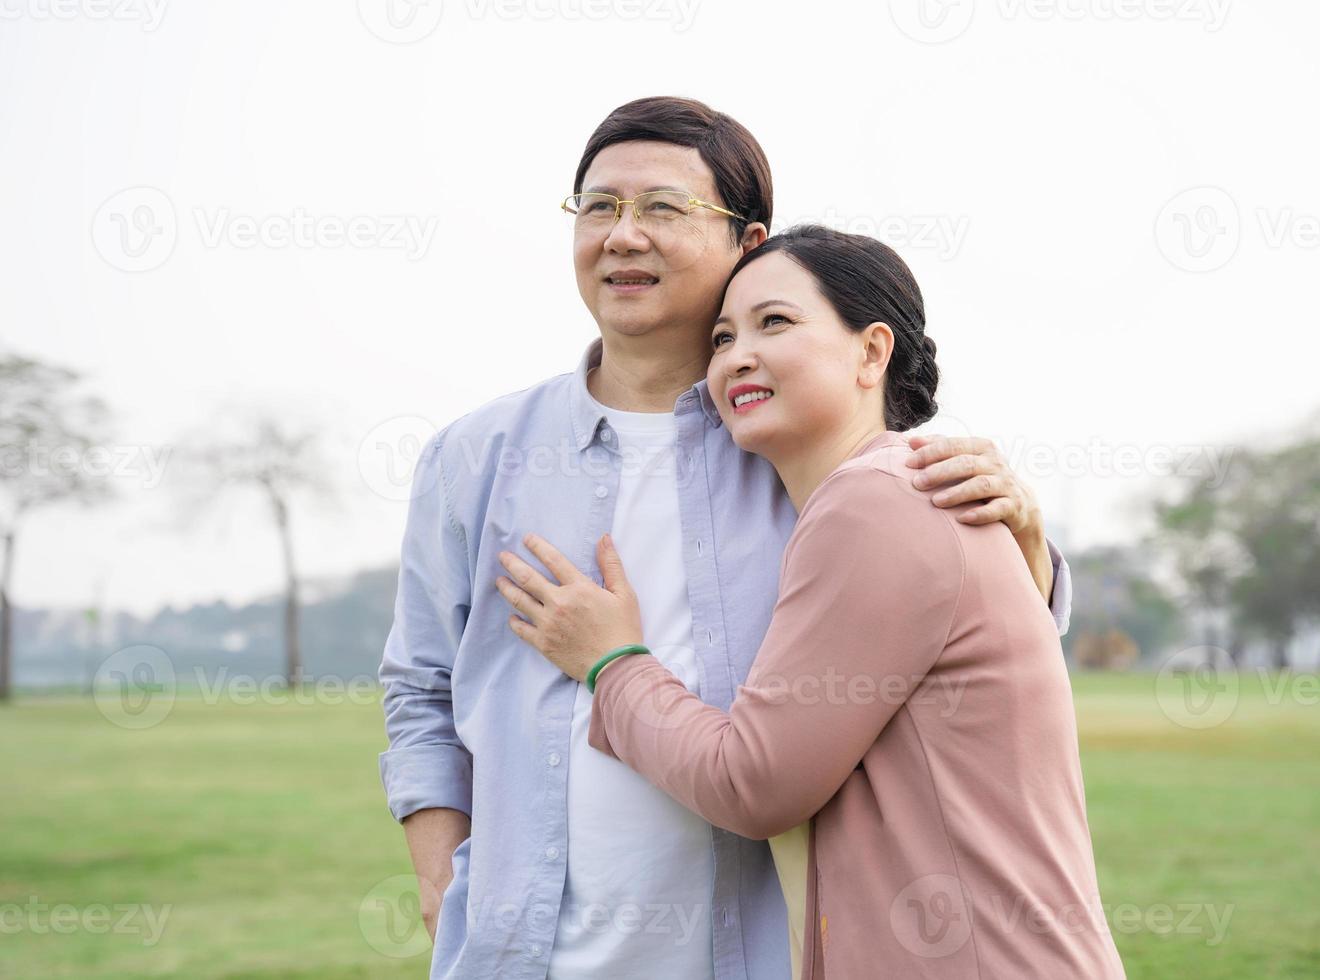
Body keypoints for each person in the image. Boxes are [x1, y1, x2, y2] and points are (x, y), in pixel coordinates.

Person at [379, 97, 1074, 980]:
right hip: (513, 956)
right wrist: (441, 879)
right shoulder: (474, 456)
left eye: (663, 208)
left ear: (750, 244)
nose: (622, 236)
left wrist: (1030, 541)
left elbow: (980, 663)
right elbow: (421, 684)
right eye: (598, 207)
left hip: (748, 953)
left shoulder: (810, 455)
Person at [497, 226, 1124, 979]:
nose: (737, 357)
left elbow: (753, 783)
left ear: (871, 352)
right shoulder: (900, 494)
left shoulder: (876, 501)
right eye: (722, 338)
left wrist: (614, 661)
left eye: (776, 323)